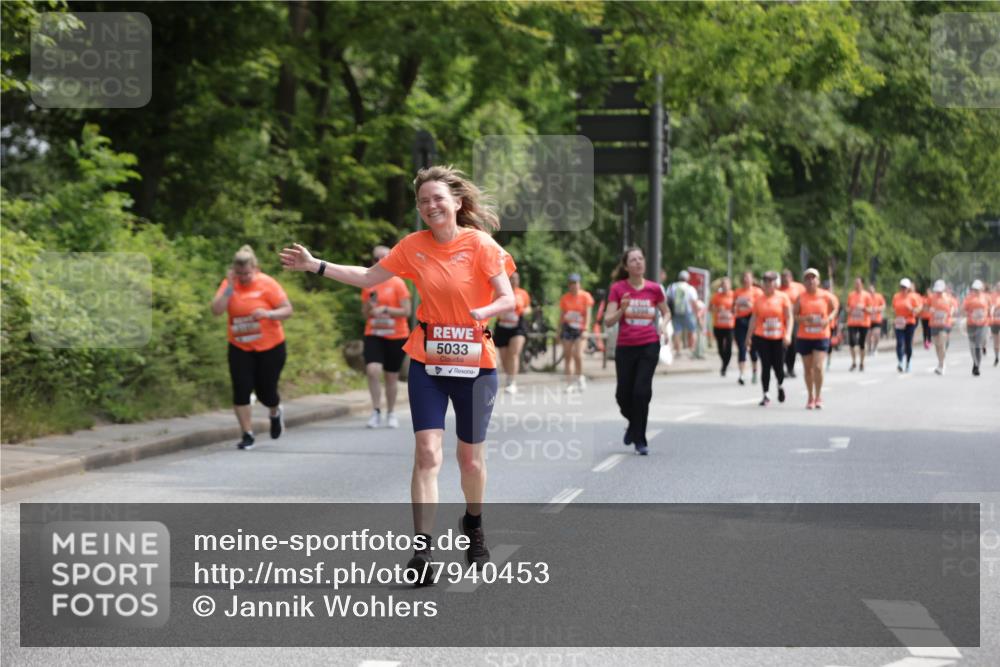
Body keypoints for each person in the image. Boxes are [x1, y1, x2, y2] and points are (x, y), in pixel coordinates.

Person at [280, 165, 515, 581]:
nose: (430, 206)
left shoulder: (480, 244)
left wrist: (484, 312)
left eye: (438, 198)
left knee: (470, 463)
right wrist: (318, 265)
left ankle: (473, 525)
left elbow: (507, 298)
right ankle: (422, 553)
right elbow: (370, 277)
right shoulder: (413, 246)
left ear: (457, 203)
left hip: (475, 364)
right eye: (423, 201)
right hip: (428, 359)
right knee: (426, 453)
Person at [211, 245, 293, 450]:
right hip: (240, 347)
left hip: (271, 347)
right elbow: (216, 311)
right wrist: (230, 286)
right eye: (239, 274)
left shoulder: (267, 284)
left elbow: (287, 310)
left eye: (246, 273)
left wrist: (268, 314)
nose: (243, 278)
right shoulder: (230, 285)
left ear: (255, 268)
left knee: (267, 393)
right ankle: (247, 434)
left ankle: (275, 412)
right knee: (241, 389)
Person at [603, 247, 671, 455]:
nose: (638, 262)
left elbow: (666, 311)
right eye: (633, 260)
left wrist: (663, 325)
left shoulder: (654, 289)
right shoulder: (618, 289)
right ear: (626, 266)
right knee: (623, 395)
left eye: (641, 258)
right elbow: (607, 321)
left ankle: (640, 439)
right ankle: (634, 425)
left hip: (649, 345)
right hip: (625, 347)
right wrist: (622, 310)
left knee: (641, 392)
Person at [360, 245, 412, 428]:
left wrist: (386, 310)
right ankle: (376, 410)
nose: (380, 262)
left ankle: (391, 412)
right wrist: (369, 306)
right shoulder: (368, 282)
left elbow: (406, 311)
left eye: (384, 258)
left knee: (391, 376)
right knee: (373, 370)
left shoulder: (398, 282)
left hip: (396, 335)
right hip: (374, 334)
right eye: (376, 258)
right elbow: (365, 314)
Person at [745, 271, 793, 406]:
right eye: (766, 281)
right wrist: (748, 337)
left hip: (778, 337)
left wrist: (788, 334)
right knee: (765, 365)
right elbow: (753, 319)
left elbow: (789, 318)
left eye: (771, 281)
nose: (768, 284)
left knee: (778, 366)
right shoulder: (759, 300)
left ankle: (780, 385)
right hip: (762, 337)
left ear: (775, 283)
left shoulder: (783, 298)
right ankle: (766, 394)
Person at [794, 267, 838, 409]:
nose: (811, 280)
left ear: (818, 281)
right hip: (805, 336)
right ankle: (810, 396)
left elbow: (835, 309)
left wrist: (828, 319)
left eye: (813, 278)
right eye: (807, 278)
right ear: (804, 282)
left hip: (821, 336)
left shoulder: (826, 296)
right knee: (808, 369)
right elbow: (794, 316)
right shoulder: (800, 297)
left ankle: (818, 396)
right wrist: (805, 318)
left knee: (818, 367)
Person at [494, 270, 531, 394]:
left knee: (514, 353)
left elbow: (528, 307)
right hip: (502, 327)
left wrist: (525, 311)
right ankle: (508, 376)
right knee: (504, 358)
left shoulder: (523, 294)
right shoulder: (500, 293)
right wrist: (500, 312)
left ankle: (512, 382)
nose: (514, 281)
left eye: (516, 278)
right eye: (512, 278)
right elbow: (493, 306)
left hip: (518, 327)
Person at [559, 273, 594, 392]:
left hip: (580, 328)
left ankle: (580, 376)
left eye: (576, 283)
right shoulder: (565, 298)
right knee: (568, 356)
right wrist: (558, 331)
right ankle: (569, 384)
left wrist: (586, 329)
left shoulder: (586, 296)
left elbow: (589, 314)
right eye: (572, 283)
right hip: (568, 327)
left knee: (577, 354)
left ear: (579, 284)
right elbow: (562, 315)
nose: (574, 286)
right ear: (569, 285)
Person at [733, 271, 763, 385]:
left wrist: (750, 305)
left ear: (752, 279)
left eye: (748, 278)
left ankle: (755, 372)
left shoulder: (757, 292)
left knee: (753, 348)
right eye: (744, 278)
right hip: (740, 320)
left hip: (752, 320)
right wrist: (737, 305)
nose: (746, 280)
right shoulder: (737, 292)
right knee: (742, 347)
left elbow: (760, 307)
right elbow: (732, 307)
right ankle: (742, 374)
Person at [892, 278, 923, 373]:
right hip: (899, 322)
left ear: (908, 288)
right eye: (901, 287)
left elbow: (918, 309)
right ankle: (900, 362)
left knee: (908, 343)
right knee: (899, 342)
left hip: (909, 322)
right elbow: (894, 307)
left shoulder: (912, 297)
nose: (903, 289)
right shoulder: (896, 296)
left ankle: (908, 362)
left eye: (905, 287)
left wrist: (912, 309)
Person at [779, 269, 805, 378]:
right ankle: (782, 367)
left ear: (791, 277)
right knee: (782, 345)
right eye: (783, 277)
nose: (785, 279)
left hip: (794, 320)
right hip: (781, 321)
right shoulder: (778, 289)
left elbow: (805, 299)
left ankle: (791, 367)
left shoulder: (798, 288)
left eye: (787, 277)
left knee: (793, 343)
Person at [666, 270, 699, 354]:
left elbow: (667, 299)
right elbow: (694, 302)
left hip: (676, 312)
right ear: (687, 278)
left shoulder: (672, 287)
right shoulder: (690, 288)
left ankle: (678, 350)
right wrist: (696, 313)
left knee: (677, 331)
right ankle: (692, 349)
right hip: (688, 312)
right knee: (692, 330)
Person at [927, 279, 956, 375]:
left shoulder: (949, 298)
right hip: (934, 324)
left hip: (945, 324)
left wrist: (951, 311)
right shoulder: (931, 298)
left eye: (940, 291)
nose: (938, 293)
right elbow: (925, 307)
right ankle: (940, 362)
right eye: (937, 291)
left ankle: (942, 364)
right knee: (937, 345)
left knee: (942, 344)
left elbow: (954, 307)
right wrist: (929, 309)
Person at [963, 279, 991, 376]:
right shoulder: (968, 298)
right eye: (975, 289)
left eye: (978, 289)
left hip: (983, 324)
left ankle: (976, 365)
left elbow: (991, 308)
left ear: (981, 289)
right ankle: (975, 361)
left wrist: (989, 317)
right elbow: (964, 309)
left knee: (978, 345)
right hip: (971, 324)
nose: (976, 291)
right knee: (972, 345)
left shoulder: (986, 298)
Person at [710, 277, 736, 376]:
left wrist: (733, 310)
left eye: (727, 284)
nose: (725, 286)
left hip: (730, 325)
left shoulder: (734, 295)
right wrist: (717, 309)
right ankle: (724, 362)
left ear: (730, 285)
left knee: (729, 347)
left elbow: (738, 308)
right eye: (723, 284)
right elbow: (710, 309)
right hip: (718, 325)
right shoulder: (716, 296)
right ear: (721, 286)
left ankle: (724, 366)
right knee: (720, 348)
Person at [846, 277, 873, 372]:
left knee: (862, 343)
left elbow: (871, 310)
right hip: (852, 322)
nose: (857, 285)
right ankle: (854, 362)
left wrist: (863, 308)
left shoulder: (867, 295)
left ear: (862, 284)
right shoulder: (851, 295)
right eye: (855, 283)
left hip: (863, 322)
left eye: (858, 283)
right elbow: (847, 308)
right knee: (852, 342)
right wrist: (850, 310)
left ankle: (862, 362)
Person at [867, 283, 886, 357]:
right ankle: (869, 349)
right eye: (869, 290)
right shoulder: (866, 297)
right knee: (868, 335)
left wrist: (878, 309)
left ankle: (874, 349)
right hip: (868, 320)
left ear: (874, 289)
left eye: (872, 290)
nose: (870, 291)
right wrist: (868, 309)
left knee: (876, 335)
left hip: (877, 319)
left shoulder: (879, 296)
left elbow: (884, 306)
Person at [992, 281, 1000, 367]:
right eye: (998, 286)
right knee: (996, 341)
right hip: (995, 322)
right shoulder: (993, 296)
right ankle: (996, 357)